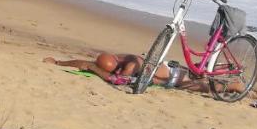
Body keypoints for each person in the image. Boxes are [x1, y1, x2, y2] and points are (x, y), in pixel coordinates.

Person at [44, 52, 233, 94]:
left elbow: (114, 78)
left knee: (207, 86)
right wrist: (59, 62)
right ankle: (229, 77)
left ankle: (236, 85)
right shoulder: (121, 59)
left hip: (174, 77)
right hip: (171, 75)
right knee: (205, 80)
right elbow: (86, 63)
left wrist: (94, 69)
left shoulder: (129, 66)